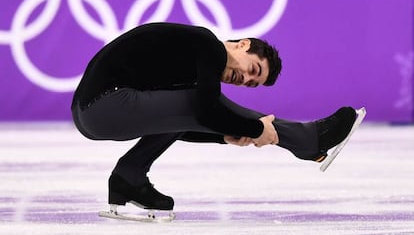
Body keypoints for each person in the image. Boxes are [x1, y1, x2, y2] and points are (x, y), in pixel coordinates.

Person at [71, 22, 358, 218]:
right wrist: (256, 129)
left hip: (94, 112)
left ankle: (128, 178)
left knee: (192, 101)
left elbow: (179, 124)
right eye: (252, 69)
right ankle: (306, 139)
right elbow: (205, 111)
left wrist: (223, 135)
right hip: (104, 103)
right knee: (199, 101)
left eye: (251, 84)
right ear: (242, 44)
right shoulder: (208, 45)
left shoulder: (190, 67)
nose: (244, 79)